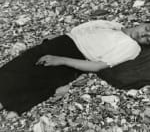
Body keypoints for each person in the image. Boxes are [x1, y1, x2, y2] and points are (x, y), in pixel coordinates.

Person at [0, 20, 149, 115]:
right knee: (16, 68)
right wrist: (54, 39)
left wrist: (61, 60)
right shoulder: (114, 25)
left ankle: (12, 103)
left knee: (21, 77)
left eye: (148, 38)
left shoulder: (132, 47)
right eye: (147, 29)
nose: (143, 34)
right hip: (62, 42)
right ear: (143, 23)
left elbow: (99, 66)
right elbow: (78, 32)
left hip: (74, 56)